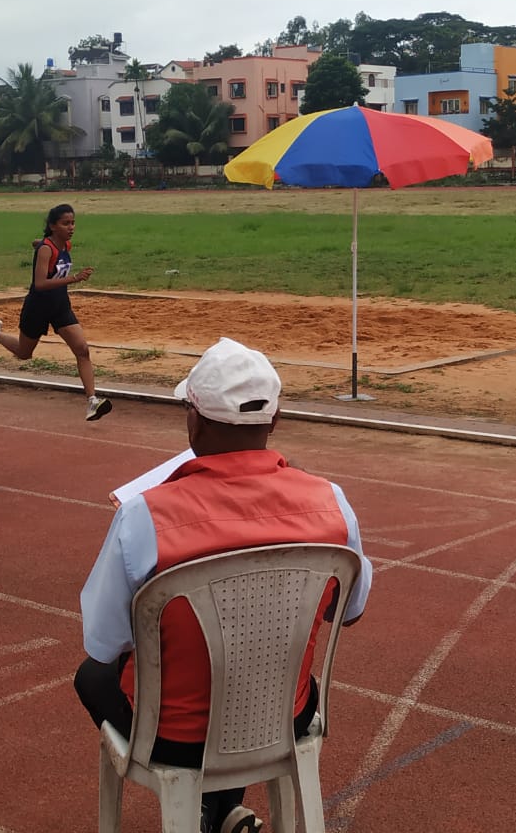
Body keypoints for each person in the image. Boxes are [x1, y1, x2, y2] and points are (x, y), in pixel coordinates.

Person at [75, 337, 372, 833]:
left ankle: (199, 808)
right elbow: (352, 610)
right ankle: (218, 811)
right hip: (284, 720)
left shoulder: (145, 516)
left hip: (175, 738)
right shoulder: (331, 502)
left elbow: (104, 643)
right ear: (274, 420)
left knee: (92, 675)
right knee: (249, 670)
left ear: (194, 417)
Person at [0, 203, 111, 421]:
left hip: (60, 306)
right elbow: (40, 284)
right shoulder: (47, 249)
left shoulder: (63, 246)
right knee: (24, 353)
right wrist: (74, 278)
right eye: (65, 223)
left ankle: (92, 401)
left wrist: (38, 243)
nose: (71, 227)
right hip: (38, 308)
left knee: (82, 349)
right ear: (53, 226)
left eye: (73, 222)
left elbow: (40, 244)